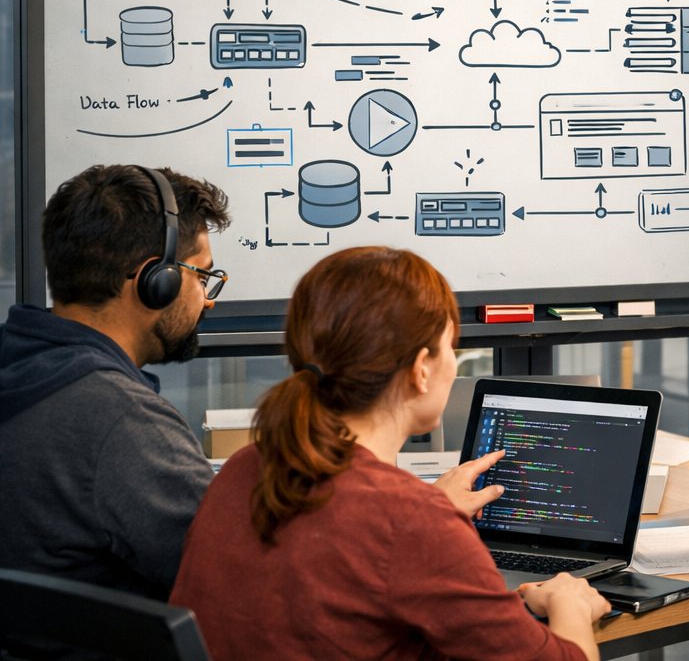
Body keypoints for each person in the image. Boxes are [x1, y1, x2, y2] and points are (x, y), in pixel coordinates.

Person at [171, 247, 607, 661]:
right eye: (450, 346)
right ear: (421, 370)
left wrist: (431, 510)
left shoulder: (248, 465)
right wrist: (570, 602)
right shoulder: (410, 522)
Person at [0, 164, 230, 599]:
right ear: (155, 281)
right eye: (202, 277)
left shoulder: (20, 364)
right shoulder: (121, 420)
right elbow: (239, 571)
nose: (208, 300)